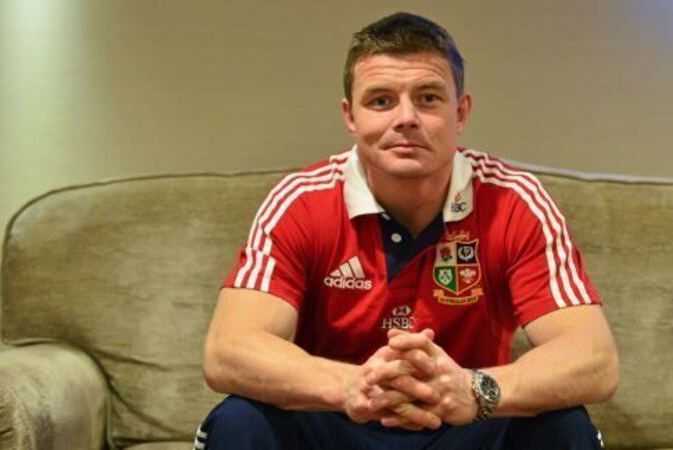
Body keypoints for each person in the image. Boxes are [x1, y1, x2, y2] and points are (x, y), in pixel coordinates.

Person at [196, 11, 618, 450]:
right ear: (350, 117)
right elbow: (228, 349)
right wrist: (351, 386)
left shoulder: (514, 201)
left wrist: (472, 389)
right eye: (381, 101)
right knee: (240, 421)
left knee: (565, 426)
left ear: (460, 112)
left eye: (428, 98)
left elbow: (594, 358)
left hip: (464, 425)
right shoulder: (301, 202)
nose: (405, 118)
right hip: (337, 421)